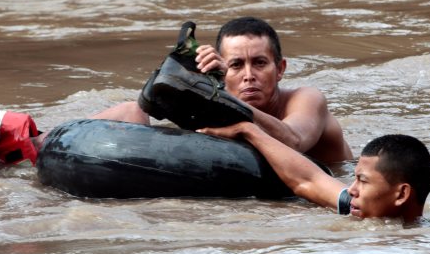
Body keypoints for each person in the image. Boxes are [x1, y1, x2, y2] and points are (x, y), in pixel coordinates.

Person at [98, 17, 353, 163]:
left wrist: (223, 98)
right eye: (236, 65)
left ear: (280, 69)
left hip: (334, 180)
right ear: (221, 70)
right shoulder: (215, 97)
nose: (248, 75)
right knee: (131, 111)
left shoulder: (306, 98)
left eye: (260, 63)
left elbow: (294, 141)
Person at [199, 122, 430, 223]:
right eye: (354, 178)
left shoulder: (429, 246)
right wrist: (248, 130)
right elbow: (307, 180)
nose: (351, 190)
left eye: (362, 181)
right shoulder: (357, 207)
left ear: (401, 194)